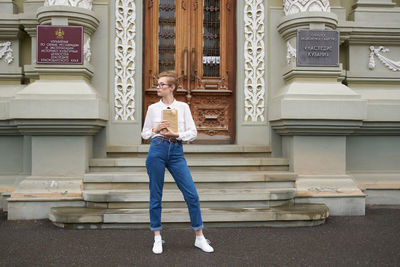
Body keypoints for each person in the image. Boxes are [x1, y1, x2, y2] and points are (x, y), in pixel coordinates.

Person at [141, 71, 214, 254]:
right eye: (157, 85)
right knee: (155, 194)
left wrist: (176, 135)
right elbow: (144, 134)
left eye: (162, 85)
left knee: (191, 194)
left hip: (176, 151)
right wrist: (155, 128)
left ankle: (199, 237)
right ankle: (157, 237)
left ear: (172, 87)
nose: (158, 88)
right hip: (157, 148)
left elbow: (193, 132)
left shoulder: (183, 107)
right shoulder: (152, 109)